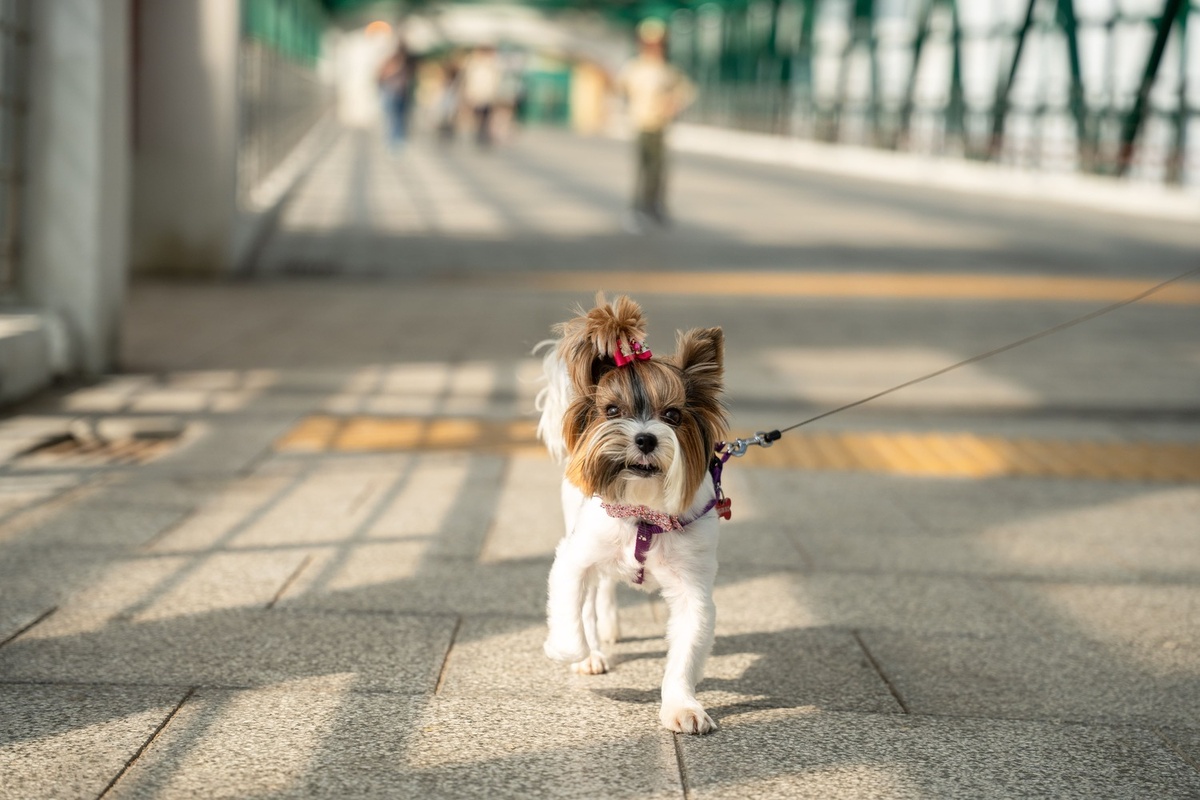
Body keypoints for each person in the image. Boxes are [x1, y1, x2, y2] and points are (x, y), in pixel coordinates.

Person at [617, 18, 695, 230]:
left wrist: (673, 103)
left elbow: (686, 91)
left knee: (659, 171)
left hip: (660, 126)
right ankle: (638, 209)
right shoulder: (635, 67)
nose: (654, 47)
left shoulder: (667, 70)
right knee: (643, 169)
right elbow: (621, 89)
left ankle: (656, 208)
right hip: (641, 124)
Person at [378, 42, 416, 150]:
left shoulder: (406, 63)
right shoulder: (393, 61)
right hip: (392, 92)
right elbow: (382, 75)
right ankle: (392, 140)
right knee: (392, 117)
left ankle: (397, 139)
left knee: (399, 117)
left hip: (401, 93)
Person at [462, 45, 502, 148]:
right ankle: (480, 136)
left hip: (485, 95)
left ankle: (482, 136)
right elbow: (470, 80)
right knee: (479, 117)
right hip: (479, 94)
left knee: (484, 117)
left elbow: (495, 82)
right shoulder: (475, 64)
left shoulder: (492, 65)